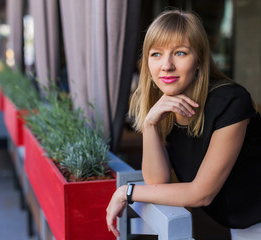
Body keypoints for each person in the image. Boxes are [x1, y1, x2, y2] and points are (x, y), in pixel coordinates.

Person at [106, 10, 261, 240]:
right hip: (242, 221)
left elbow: (202, 194)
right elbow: (157, 182)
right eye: (156, 54)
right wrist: (150, 125)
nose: (166, 65)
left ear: (199, 60)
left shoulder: (230, 102)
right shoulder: (165, 110)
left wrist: (126, 192)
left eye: (180, 53)